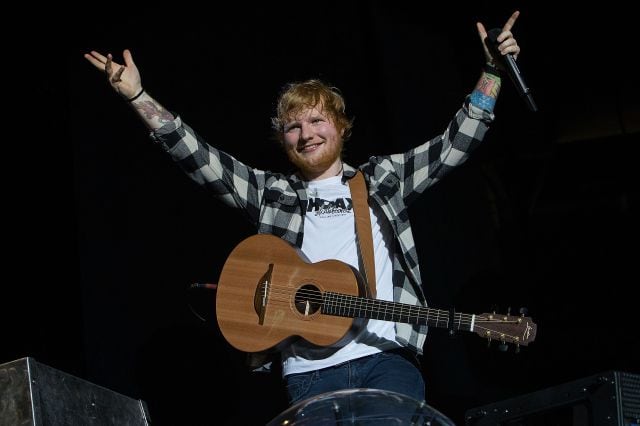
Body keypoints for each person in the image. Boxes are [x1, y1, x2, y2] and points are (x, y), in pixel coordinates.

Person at [84, 11, 522, 408]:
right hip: (306, 376)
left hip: (385, 361)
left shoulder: (382, 179)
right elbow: (198, 157)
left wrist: (492, 72)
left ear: (341, 127)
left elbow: (456, 143)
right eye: (293, 126)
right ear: (284, 140)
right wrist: (137, 95)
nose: (306, 133)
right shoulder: (273, 192)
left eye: (316, 120)